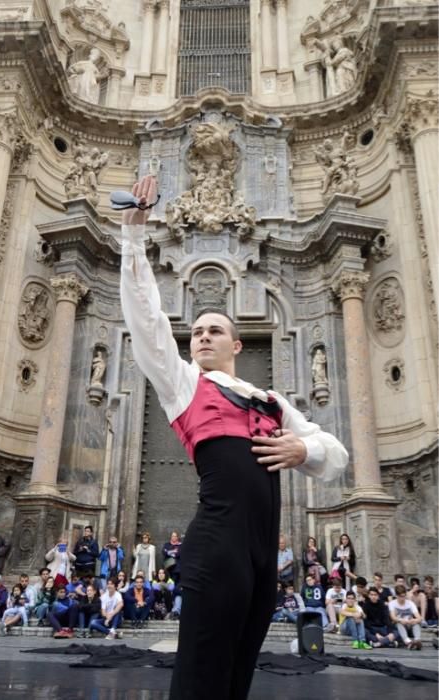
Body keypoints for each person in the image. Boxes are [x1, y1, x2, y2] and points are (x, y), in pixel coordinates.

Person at [119, 175, 348, 700]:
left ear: (236, 342)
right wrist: (133, 236)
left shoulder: (271, 402)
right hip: (216, 544)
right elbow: (147, 316)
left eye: (213, 330)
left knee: (237, 675)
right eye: (196, 331)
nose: (201, 336)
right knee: (201, 673)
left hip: (263, 555)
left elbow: (334, 455)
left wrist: (302, 448)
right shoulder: (183, 384)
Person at [388, 584, 422, 649]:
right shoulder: (392, 603)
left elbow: (419, 618)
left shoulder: (410, 603)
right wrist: (401, 620)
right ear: (397, 596)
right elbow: (393, 617)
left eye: (404, 596)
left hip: (409, 625)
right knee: (398, 623)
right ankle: (407, 641)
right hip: (400, 626)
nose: (403, 598)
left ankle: (417, 641)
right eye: (401, 596)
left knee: (416, 624)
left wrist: (414, 620)